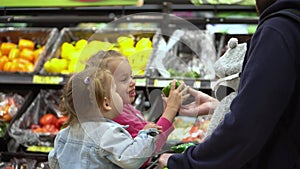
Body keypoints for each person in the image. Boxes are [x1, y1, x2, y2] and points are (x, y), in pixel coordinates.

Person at [158, 0, 300, 168]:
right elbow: (278, 108)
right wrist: (220, 106)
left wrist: (185, 162)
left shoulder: (278, 29)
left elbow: (246, 128)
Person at [47, 65, 183, 169]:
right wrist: (146, 135)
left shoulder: (64, 134)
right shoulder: (108, 133)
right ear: (106, 103)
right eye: (115, 92)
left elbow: (54, 161)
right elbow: (133, 158)